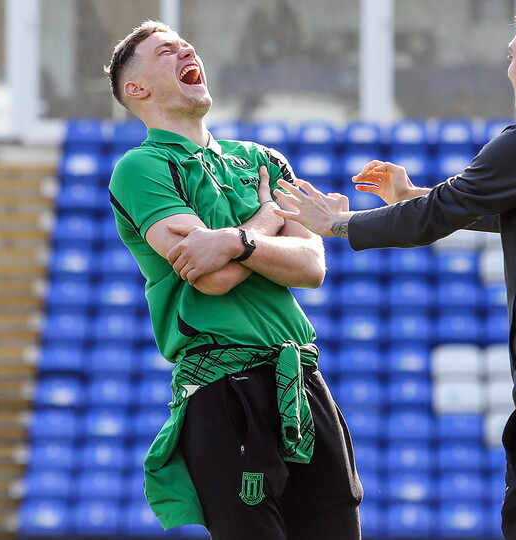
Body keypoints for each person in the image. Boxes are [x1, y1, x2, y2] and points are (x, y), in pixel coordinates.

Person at [272, 6, 516, 539]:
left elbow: (434, 219)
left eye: (512, 56)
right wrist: (411, 194)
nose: (508, 69)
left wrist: (337, 223)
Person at [103, 20, 362, 539]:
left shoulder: (263, 159)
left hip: (301, 380)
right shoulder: (141, 167)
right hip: (223, 387)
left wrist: (232, 241)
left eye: (187, 45)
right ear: (137, 89)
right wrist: (265, 222)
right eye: (166, 51)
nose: (186, 50)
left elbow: (311, 267)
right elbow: (212, 278)